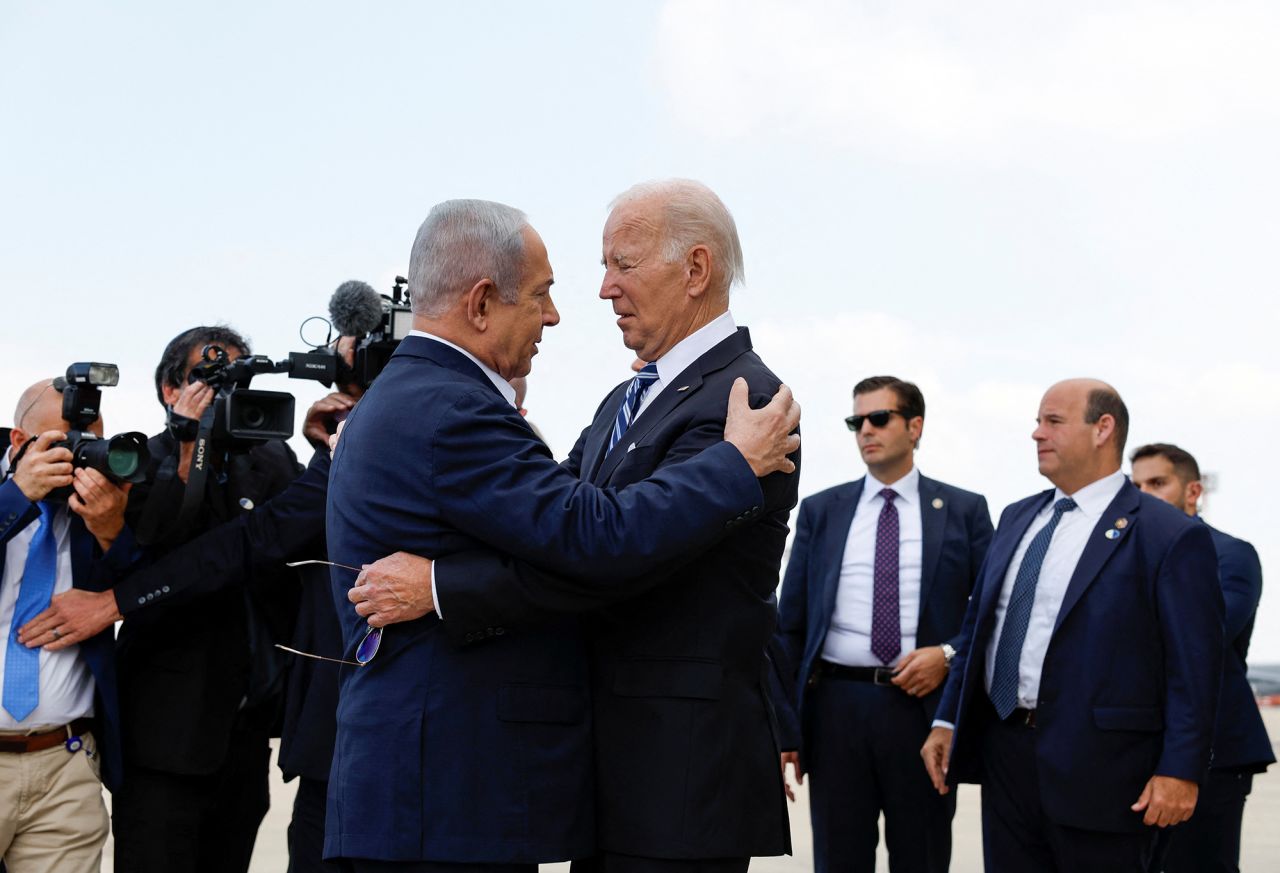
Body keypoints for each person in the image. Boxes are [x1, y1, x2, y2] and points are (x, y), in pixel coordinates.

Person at [324, 197, 800, 872]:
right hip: (475, 791)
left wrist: (439, 586)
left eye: (621, 263)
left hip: (678, 783)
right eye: (551, 291)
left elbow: (600, 552)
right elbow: (577, 537)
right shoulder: (590, 403)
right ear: (482, 303)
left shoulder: (748, 408)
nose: (596, 291)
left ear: (696, 269)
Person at [920, 379, 1224, 872]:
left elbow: (1194, 668)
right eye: (1039, 422)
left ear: (1103, 429)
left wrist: (1180, 771)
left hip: (1106, 775)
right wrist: (948, 719)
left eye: (1053, 422)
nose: (1037, 434)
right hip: (1006, 758)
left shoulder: (1167, 535)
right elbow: (982, 628)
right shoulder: (1019, 517)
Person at [774, 375, 993, 873]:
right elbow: (790, 626)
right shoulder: (821, 511)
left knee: (923, 856)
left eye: (879, 418)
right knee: (839, 859)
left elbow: (991, 614)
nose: (865, 430)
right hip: (836, 711)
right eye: (856, 421)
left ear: (915, 426)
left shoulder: (965, 511)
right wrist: (787, 728)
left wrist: (949, 655)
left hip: (922, 713)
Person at [109, 326, 305, 873]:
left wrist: (321, 447)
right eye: (208, 378)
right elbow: (158, 539)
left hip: (246, 731)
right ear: (170, 389)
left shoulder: (271, 459)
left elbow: (298, 537)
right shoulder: (140, 459)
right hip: (164, 740)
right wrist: (189, 443)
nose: (223, 392)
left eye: (236, 379)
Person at [0, 379, 133, 873]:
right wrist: (15, 497)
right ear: (19, 442)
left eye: (89, 443)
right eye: (63, 443)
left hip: (65, 762)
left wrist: (110, 529)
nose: (78, 459)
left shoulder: (99, 503)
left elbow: (136, 593)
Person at [1130, 443, 1273, 873]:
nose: (1143, 494)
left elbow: (1205, 637)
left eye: (1157, 483)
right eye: (1135, 485)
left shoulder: (1231, 555)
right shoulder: (1119, 556)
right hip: (1132, 748)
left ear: (1192, 492)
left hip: (1215, 754)